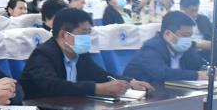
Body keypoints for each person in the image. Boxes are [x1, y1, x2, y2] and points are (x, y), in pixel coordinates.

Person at [20, 8, 151, 99]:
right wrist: (98, 88)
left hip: (70, 108)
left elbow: (100, 75)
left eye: (89, 32)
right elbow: (53, 86)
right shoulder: (42, 54)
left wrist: (129, 82)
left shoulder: (80, 53)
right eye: (84, 33)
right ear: (64, 35)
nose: (88, 38)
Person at [122, 11, 212, 82]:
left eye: (190, 35)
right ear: (168, 34)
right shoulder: (152, 48)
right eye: (185, 35)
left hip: (173, 92)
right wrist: (196, 75)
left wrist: (208, 70)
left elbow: (199, 64)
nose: (188, 39)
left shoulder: (186, 47)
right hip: (142, 93)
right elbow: (162, 74)